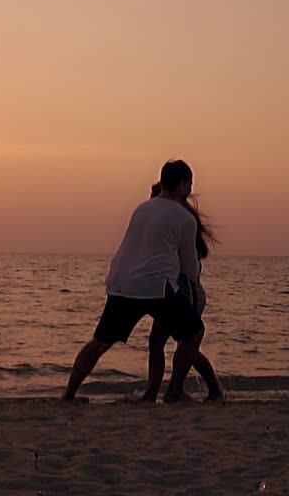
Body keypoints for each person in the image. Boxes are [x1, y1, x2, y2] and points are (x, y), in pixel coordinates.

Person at [62, 160, 204, 403]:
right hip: (157, 286)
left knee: (99, 343)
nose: (190, 188)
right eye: (189, 183)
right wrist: (195, 288)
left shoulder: (142, 208)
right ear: (181, 184)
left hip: (122, 282)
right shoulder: (184, 217)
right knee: (194, 332)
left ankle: (69, 394)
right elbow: (189, 266)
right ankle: (174, 391)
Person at [140, 183, 223, 402]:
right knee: (167, 342)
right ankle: (161, 391)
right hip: (172, 290)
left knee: (183, 342)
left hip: (187, 291)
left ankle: (174, 390)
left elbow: (193, 260)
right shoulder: (169, 221)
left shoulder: (181, 222)